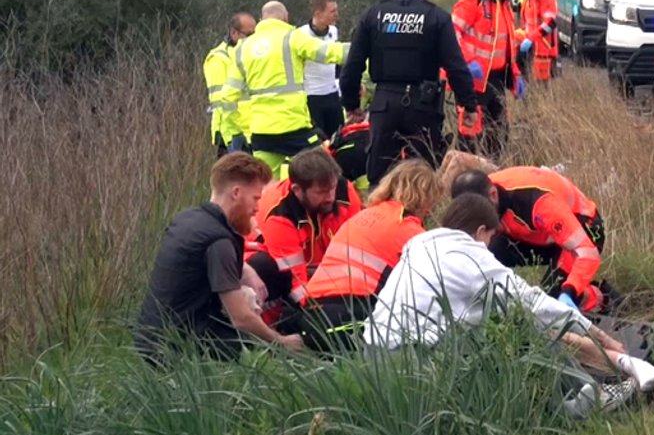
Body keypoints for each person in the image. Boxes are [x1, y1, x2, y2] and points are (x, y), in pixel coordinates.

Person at [364, 193, 654, 395]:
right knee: (527, 330)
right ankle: (589, 393)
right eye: (490, 238)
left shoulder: (419, 247)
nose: (490, 246)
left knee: (512, 324)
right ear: (481, 230)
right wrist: (600, 334)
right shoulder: (468, 255)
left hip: (374, 360)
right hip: (416, 364)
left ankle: (620, 370)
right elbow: (535, 304)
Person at [135, 153, 304, 364]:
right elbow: (240, 318)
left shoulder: (188, 218)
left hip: (149, 337)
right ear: (236, 193)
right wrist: (281, 341)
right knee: (259, 356)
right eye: (256, 198)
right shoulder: (219, 241)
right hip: (176, 350)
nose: (257, 208)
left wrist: (244, 268)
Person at [341, 0, 478, 180]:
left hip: (384, 104)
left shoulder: (373, 15)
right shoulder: (437, 18)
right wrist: (468, 104)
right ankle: (418, 213)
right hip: (423, 105)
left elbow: (352, 67)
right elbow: (456, 66)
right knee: (422, 174)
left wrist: (352, 105)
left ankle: (381, 211)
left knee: (379, 173)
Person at [302, 160, 441, 351]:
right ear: (425, 198)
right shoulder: (407, 229)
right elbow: (437, 282)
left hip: (312, 313)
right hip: (346, 318)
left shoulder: (363, 215)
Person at [449, 166, 611, 314]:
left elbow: (588, 253)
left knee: (554, 298)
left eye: (480, 215)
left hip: (582, 230)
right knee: (482, 264)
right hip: (532, 232)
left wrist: (570, 290)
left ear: (493, 195)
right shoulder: (479, 194)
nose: (479, 222)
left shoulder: (540, 204)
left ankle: (598, 297)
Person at [220, 0, 348, 179]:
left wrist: (238, 132)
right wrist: (364, 48)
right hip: (294, 128)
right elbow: (329, 53)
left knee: (268, 187)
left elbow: (227, 98)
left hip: (261, 133)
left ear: (261, 19)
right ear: (285, 17)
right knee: (322, 173)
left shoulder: (243, 48)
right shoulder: (292, 37)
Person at [244, 147, 362, 312]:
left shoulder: (346, 192)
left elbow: (355, 249)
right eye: (321, 192)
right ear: (297, 190)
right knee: (266, 268)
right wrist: (320, 316)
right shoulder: (280, 216)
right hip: (274, 268)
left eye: (332, 188)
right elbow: (297, 284)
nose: (330, 197)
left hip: (319, 267)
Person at [451, 0, 525, 159]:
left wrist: (515, 76)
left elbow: (507, 47)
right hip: (473, 81)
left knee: (500, 135)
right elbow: (452, 33)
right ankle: (460, 181)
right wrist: (468, 62)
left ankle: (491, 177)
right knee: (470, 136)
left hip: (497, 80)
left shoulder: (504, 5)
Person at [204, 13, 256, 157]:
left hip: (252, 131)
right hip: (232, 136)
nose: (253, 38)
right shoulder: (218, 59)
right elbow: (221, 104)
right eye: (249, 34)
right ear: (234, 33)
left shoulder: (250, 54)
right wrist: (232, 139)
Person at [300, 0, 343, 139]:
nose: (336, 14)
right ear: (318, 14)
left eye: (336, 10)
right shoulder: (300, 35)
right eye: (332, 11)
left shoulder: (334, 31)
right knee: (318, 143)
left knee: (338, 139)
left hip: (332, 94)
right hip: (312, 97)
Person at [517, 0, 559, 81]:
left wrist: (531, 38)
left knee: (541, 90)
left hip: (543, 52)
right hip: (531, 50)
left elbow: (550, 23)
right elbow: (527, 25)